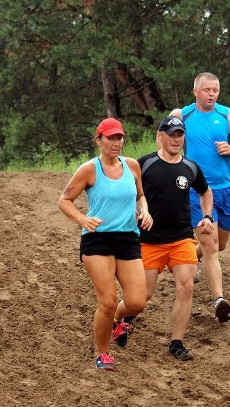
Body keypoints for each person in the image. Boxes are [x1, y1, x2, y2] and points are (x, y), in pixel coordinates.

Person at [58, 117, 153, 371]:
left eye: (119, 137)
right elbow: (64, 200)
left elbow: (141, 195)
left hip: (128, 238)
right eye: (110, 137)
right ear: (98, 140)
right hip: (97, 240)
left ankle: (117, 320)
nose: (116, 142)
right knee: (108, 300)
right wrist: (82, 219)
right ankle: (102, 353)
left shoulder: (132, 166)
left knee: (137, 301)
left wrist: (145, 211)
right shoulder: (89, 169)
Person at [170, 72, 230, 323]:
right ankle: (219, 299)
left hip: (225, 189)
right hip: (196, 191)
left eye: (215, 90)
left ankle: (189, 257)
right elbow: (164, 141)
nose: (211, 94)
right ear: (195, 91)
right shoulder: (182, 115)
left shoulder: (227, 115)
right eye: (206, 90)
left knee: (220, 244)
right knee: (212, 247)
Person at [132, 116, 214, 361]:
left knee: (186, 287)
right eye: (171, 134)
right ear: (160, 136)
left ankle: (176, 342)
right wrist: (140, 212)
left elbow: (205, 191)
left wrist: (208, 216)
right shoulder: (144, 164)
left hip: (181, 238)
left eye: (180, 135)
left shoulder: (190, 167)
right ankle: (121, 319)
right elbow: (131, 193)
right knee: (143, 296)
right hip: (149, 240)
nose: (176, 139)